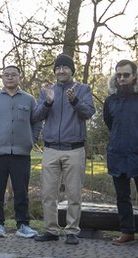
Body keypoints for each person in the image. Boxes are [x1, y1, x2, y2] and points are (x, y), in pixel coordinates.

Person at [32, 53, 96, 245]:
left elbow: (89, 113)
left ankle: (72, 231)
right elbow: (36, 115)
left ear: (71, 70)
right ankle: (51, 230)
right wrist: (48, 102)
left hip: (74, 149)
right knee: (48, 193)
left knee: (74, 193)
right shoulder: (47, 91)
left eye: (65, 67)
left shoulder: (82, 89)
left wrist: (75, 101)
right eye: (58, 68)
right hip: (51, 149)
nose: (61, 71)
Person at [103, 59, 138, 248]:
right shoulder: (111, 100)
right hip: (118, 153)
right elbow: (110, 124)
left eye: (126, 75)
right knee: (122, 196)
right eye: (119, 75)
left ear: (135, 75)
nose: (122, 78)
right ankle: (127, 231)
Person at [0, 66, 39, 239]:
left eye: (14, 75)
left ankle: (23, 225)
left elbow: (36, 122)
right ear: (2, 78)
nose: (10, 78)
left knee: (22, 191)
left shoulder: (29, 99)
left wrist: (31, 140)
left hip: (21, 153)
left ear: (19, 77)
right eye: (6, 75)